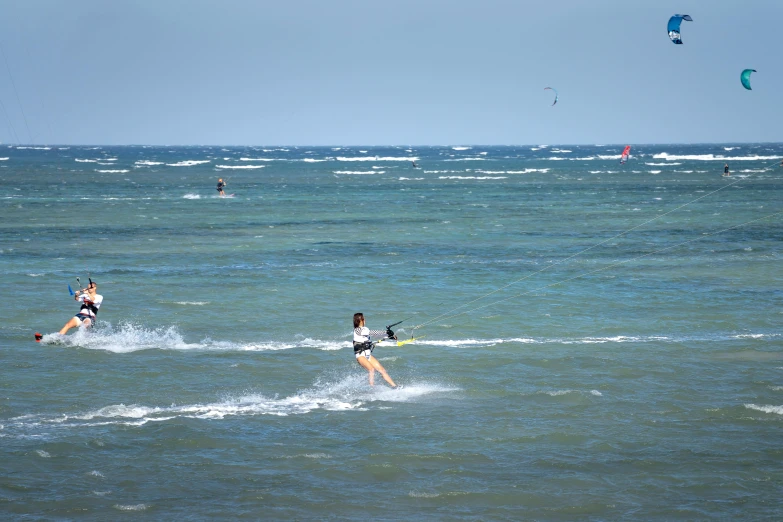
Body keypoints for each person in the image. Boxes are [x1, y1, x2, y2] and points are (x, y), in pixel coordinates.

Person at [353, 312, 398, 388]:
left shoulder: (365, 329)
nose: (365, 319)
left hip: (368, 355)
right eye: (364, 318)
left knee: (382, 370)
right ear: (360, 320)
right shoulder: (357, 330)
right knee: (371, 369)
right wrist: (385, 332)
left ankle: (395, 387)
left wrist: (390, 336)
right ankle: (372, 388)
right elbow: (371, 332)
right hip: (360, 355)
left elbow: (375, 334)